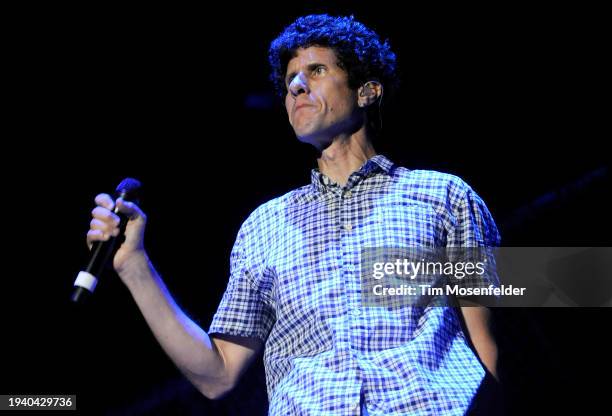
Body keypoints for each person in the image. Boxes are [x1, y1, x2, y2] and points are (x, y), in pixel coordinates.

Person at [87, 14, 501, 415]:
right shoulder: (264, 227)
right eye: (290, 81)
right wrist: (134, 265)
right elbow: (217, 375)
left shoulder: (444, 195)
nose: (298, 86)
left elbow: (489, 347)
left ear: (367, 91)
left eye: (316, 70)